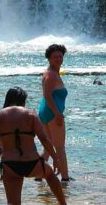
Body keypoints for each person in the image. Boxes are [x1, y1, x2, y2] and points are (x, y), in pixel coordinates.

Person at [0, 87, 66, 205]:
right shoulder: (30, 114)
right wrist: (55, 158)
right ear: (22, 100)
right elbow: (43, 139)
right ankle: (63, 203)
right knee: (49, 174)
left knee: (13, 203)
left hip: (9, 164)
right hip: (31, 162)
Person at [39, 43, 69, 181]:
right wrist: (57, 113)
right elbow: (47, 95)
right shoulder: (51, 74)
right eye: (55, 56)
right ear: (49, 58)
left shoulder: (50, 72)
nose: (58, 59)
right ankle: (65, 178)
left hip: (45, 112)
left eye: (60, 56)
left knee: (47, 148)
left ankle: (38, 175)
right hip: (52, 113)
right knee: (60, 148)